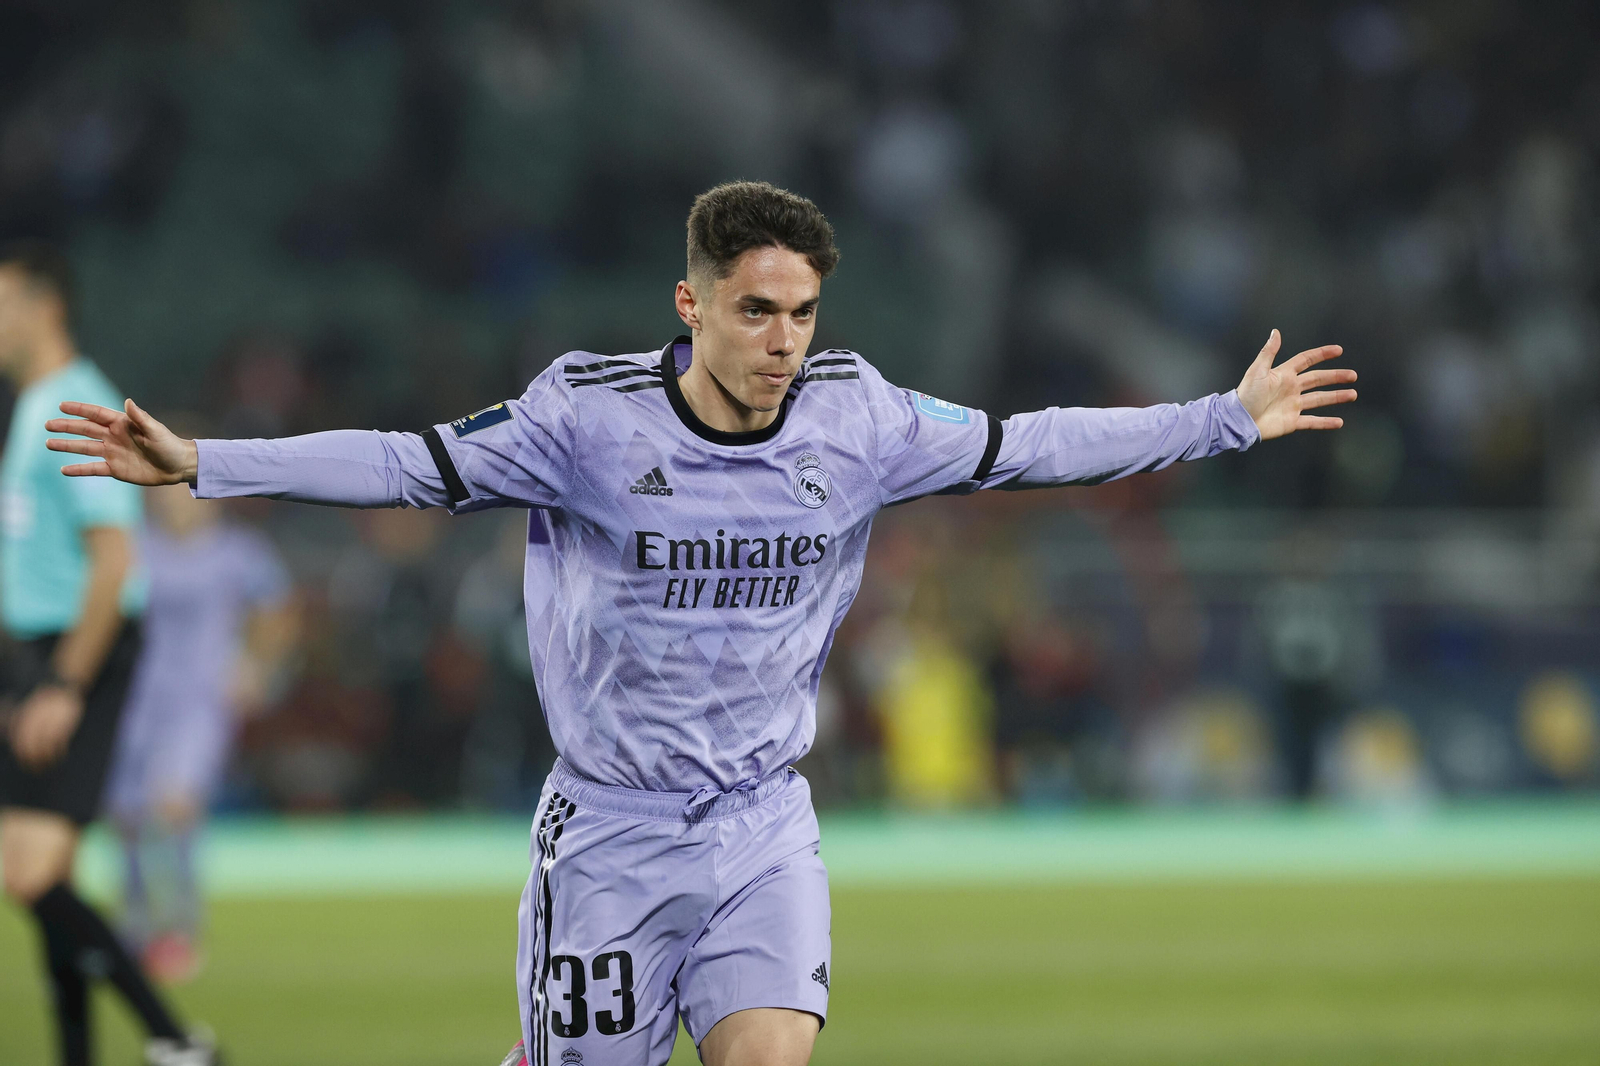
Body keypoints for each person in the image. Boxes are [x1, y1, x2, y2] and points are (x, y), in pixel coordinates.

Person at [45, 182, 1356, 1066]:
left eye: (803, 313)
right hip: (610, 832)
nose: (784, 340)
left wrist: (1222, 419)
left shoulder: (859, 417)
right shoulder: (584, 421)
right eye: (755, 310)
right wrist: (204, 463)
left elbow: (1029, 444)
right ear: (692, 305)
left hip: (761, 820)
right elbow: (407, 462)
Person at [0, 241, 218, 1066]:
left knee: (30, 874)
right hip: (38, 653)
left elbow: (114, 561)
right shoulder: (34, 404)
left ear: (46, 306)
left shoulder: (76, 407)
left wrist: (63, 682)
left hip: (73, 652)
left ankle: (176, 1038)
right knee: (40, 877)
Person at [106, 480, 295, 981]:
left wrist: (255, 666)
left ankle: (179, 928)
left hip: (199, 701)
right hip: (135, 700)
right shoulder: (135, 546)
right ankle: (133, 927)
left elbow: (277, 611)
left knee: (175, 806)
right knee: (127, 817)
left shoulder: (239, 552)